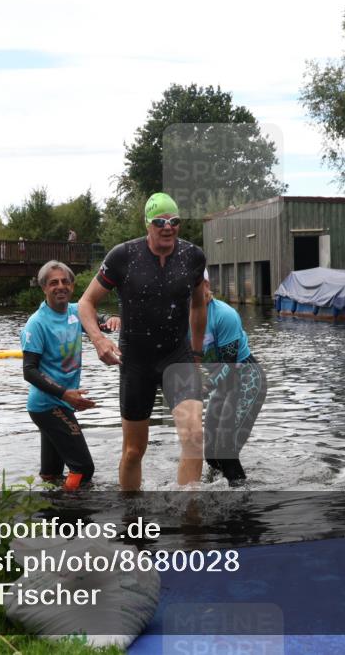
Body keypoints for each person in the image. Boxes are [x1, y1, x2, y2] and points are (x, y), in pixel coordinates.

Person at [78, 192, 207, 490]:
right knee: (135, 451)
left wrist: (197, 352)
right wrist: (99, 340)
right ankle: (132, 518)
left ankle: (190, 514)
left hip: (178, 356)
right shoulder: (123, 256)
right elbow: (86, 304)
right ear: (147, 223)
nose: (167, 227)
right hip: (136, 362)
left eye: (174, 221)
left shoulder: (193, 257)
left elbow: (199, 305)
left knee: (194, 439)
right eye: (160, 221)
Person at [22, 261, 120, 490]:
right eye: (54, 283)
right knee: (83, 469)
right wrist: (64, 394)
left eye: (65, 282)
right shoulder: (36, 324)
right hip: (48, 404)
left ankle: (49, 514)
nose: (60, 287)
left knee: (51, 473)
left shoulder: (77, 312)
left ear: (73, 287)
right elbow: (29, 370)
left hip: (62, 402)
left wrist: (112, 319)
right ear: (44, 288)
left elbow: (100, 321)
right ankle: (71, 510)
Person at [199, 268, 266, 487]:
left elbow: (228, 365)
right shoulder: (180, 318)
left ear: (206, 286)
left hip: (247, 378)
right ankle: (224, 488)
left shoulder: (224, 315)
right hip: (221, 385)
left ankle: (242, 502)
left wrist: (203, 388)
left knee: (226, 451)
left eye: (195, 284)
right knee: (210, 453)